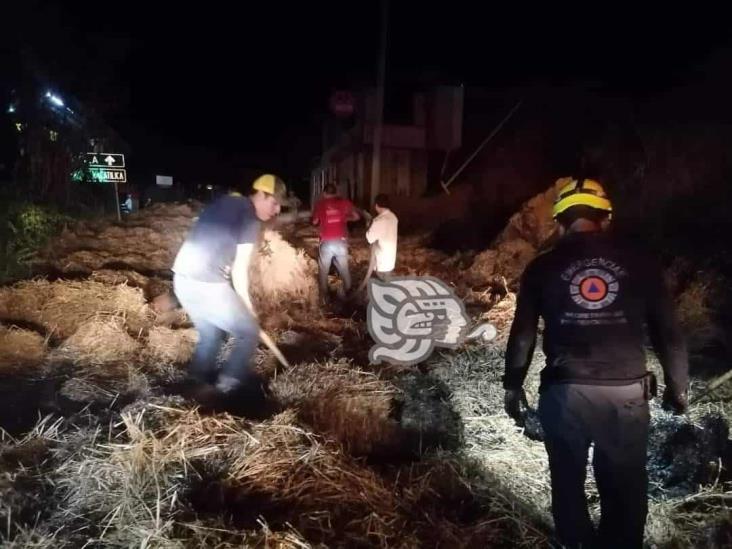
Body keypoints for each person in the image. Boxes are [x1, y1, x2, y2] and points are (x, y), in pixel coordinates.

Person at [503, 177, 689, 549]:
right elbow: (668, 333)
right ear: (607, 218)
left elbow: (522, 334)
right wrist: (678, 388)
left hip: (564, 392)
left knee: (568, 487)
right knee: (625, 491)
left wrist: (512, 385)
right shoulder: (641, 263)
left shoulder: (542, 268)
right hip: (626, 395)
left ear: (558, 223)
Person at [172, 174, 286, 397]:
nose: (278, 210)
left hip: (182, 279)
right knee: (248, 332)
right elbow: (239, 271)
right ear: (261, 195)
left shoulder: (226, 201)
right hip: (207, 284)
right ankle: (226, 390)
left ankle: (196, 382)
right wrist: (248, 309)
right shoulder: (250, 218)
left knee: (211, 335)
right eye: (274, 202)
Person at [311, 183, 359, 300]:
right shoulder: (344, 202)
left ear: (324, 193)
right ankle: (349, 293)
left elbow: (314, 222)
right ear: (336, 193)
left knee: (323, 270)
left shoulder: (320, 204)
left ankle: (325, 297)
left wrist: (322, 219)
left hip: (326, 241)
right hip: (341, 241)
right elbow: (356, 216)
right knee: (344, 268)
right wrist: (345, 219)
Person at [365, 193, 398, 280]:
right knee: (387, 283)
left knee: (381, 285)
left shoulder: (379, 221)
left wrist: (369, 226)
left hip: (381, 262)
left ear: (376, 205)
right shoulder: (393, 217)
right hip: (390, 259)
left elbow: (369, 239)